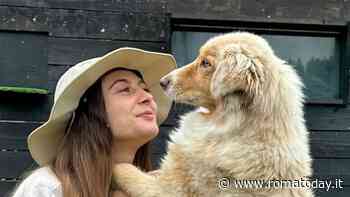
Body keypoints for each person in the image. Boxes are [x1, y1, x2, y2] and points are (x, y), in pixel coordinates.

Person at [11, 47, 176, 197]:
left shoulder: (157, 191)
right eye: (125, 90)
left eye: (146, 89)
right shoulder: (47, 188)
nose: (148, 97)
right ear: (92, 113)